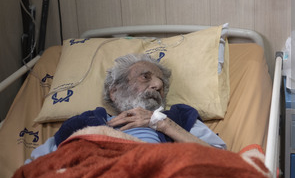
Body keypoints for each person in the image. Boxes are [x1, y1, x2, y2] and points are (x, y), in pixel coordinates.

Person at [29, 54, 226, 161]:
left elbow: (222, 161)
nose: (157, 85)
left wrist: (162, 124)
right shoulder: (87, 121)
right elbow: (37, 167)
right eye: (146, 77)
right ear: (114, 92)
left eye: (161, 84)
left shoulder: (178, 117)